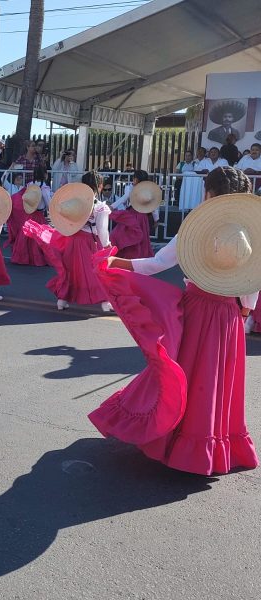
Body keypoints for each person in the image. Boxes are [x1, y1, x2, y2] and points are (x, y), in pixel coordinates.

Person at [89, 166, 259, 476]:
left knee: (182, 376)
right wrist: (245, 311)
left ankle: (171, 437)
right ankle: (211, 445)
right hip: (230, 316)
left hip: (197, 311)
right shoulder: (250, 232)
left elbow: (157, 264)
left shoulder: (196, 229)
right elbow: (252, 281)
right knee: (216, 380)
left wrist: (115, 261)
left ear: (208, 194)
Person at [23, 172, 112, 312]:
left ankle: (62, 300)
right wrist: (107, 244)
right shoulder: (100, 207)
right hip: (89, 241)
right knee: (95, 271)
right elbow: (102, 230)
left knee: (70, 270)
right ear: (99, 186)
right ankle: (105, 302)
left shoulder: (76, 202)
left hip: (72, 238)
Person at [5, 167, 52, 266]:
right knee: (39, 237)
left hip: (29, 214)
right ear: (45, 175)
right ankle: (37, 259)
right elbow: (48, 204)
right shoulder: (44, 188)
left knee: (26, 237)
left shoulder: (30, 185)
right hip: (39, 215)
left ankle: (25, 258)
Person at [109, 181, 159, 259]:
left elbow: (124, 198)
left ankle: (127, 255)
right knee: (141, 238)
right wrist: (156, 219)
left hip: (132, 215)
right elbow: (153, 208)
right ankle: (139, 256)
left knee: (126, 235)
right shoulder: (148, 190)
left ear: (136, 179)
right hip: (142, 217)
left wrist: (112, 206)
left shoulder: (131, 188)